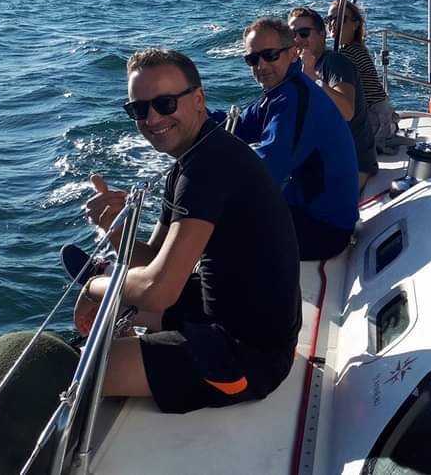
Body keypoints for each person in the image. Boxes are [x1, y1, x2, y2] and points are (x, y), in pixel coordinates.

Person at [74, 48, 302, 414]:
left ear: (198, 100)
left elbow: (158, 290)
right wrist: (113, 231)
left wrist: (97, 283)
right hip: (228, 312)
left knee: (83, 370)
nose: (151, 118)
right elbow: (153, 260)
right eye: (138, 109)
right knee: (115, 306)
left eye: (164, 103)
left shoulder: (207, 169)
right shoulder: (196, 156)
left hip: (249, 356)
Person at [235, 17, 359, 260]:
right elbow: (239, 126)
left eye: (270, 55)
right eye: (252, 59)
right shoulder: (284, 90)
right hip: (306, 206)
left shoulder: (295, 100)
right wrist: (191, 116)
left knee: (221, 227)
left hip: (324, 229)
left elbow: (264, 172)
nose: (261, 65)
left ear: (293, 54)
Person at [288, 6, 378, 189]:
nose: (297, 39)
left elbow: (346, 111)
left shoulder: (335, 63)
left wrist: (313, 77)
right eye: (292, 34)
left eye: (304, 33)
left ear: (322, 34)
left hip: (352, 165)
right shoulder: (305, 71)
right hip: (326, 158)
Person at [325, 0, 402, 154]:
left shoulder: (349, 55)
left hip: (377, 125)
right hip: (383, 118)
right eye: (330, 19)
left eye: (340, 19)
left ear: (355, 25)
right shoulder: (353, 49)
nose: (333, 23)